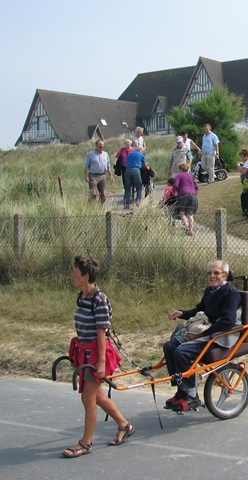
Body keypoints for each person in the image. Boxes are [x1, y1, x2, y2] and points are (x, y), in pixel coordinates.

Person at [62, 255, 134, 458]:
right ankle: (124, 425)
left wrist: (101, 362)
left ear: (85, 275)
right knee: (98, 396)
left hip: (97, 353)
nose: (72, 275)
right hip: (85, 351)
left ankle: (85, 443)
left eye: (75, 271)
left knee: (88, 398)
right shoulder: (82, 296)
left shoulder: (99, 299)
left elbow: (101, 332)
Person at [163, 259, 241, 411]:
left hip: (218, 335)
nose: (212, 276)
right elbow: (199, 310)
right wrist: (181, 313)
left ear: (224, 275)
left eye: (216, 273)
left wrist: (201, 334)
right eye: (210, 273)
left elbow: (228, 321)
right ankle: (182, 390)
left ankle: (192, 395)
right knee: (169, 346)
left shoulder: (230, 293)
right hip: (205, 331)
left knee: (182, 352)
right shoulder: (209, 291)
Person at [84, 140, 114, 205]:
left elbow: (108, 165)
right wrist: (86, 176)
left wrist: (111, 175)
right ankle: (89, 207)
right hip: (93, 176)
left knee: (103, 195)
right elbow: (86, 166)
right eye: (100, 147)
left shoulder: (105, 154)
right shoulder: (90, 154)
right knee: (93, 194)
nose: (102, 149)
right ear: (96, 146)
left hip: (102, 176)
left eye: (103, 147)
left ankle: (101, 208)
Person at [173, 162, 198, 235]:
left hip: (183, 195)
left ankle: (186, 227)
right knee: (190, 214)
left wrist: (175, 192)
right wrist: (195, 192)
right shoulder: (191, 176)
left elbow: (175, 185)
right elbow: (196, 185)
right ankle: (191, 230)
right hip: (192, 195)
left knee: (182, 212)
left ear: (180, 169)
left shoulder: (179, 176)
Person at [114, 138, 135, 203]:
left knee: (132, 181)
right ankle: (127, 194)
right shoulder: (122, 149)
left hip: (131, 167)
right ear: (124, 144)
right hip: (124, 167)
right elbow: (117, 156)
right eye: (126, 143)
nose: (127, 145)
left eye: (128, 143)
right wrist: (115, 162)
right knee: (125, 181)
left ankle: (131, 194)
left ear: (131, 144)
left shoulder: (133, 150)